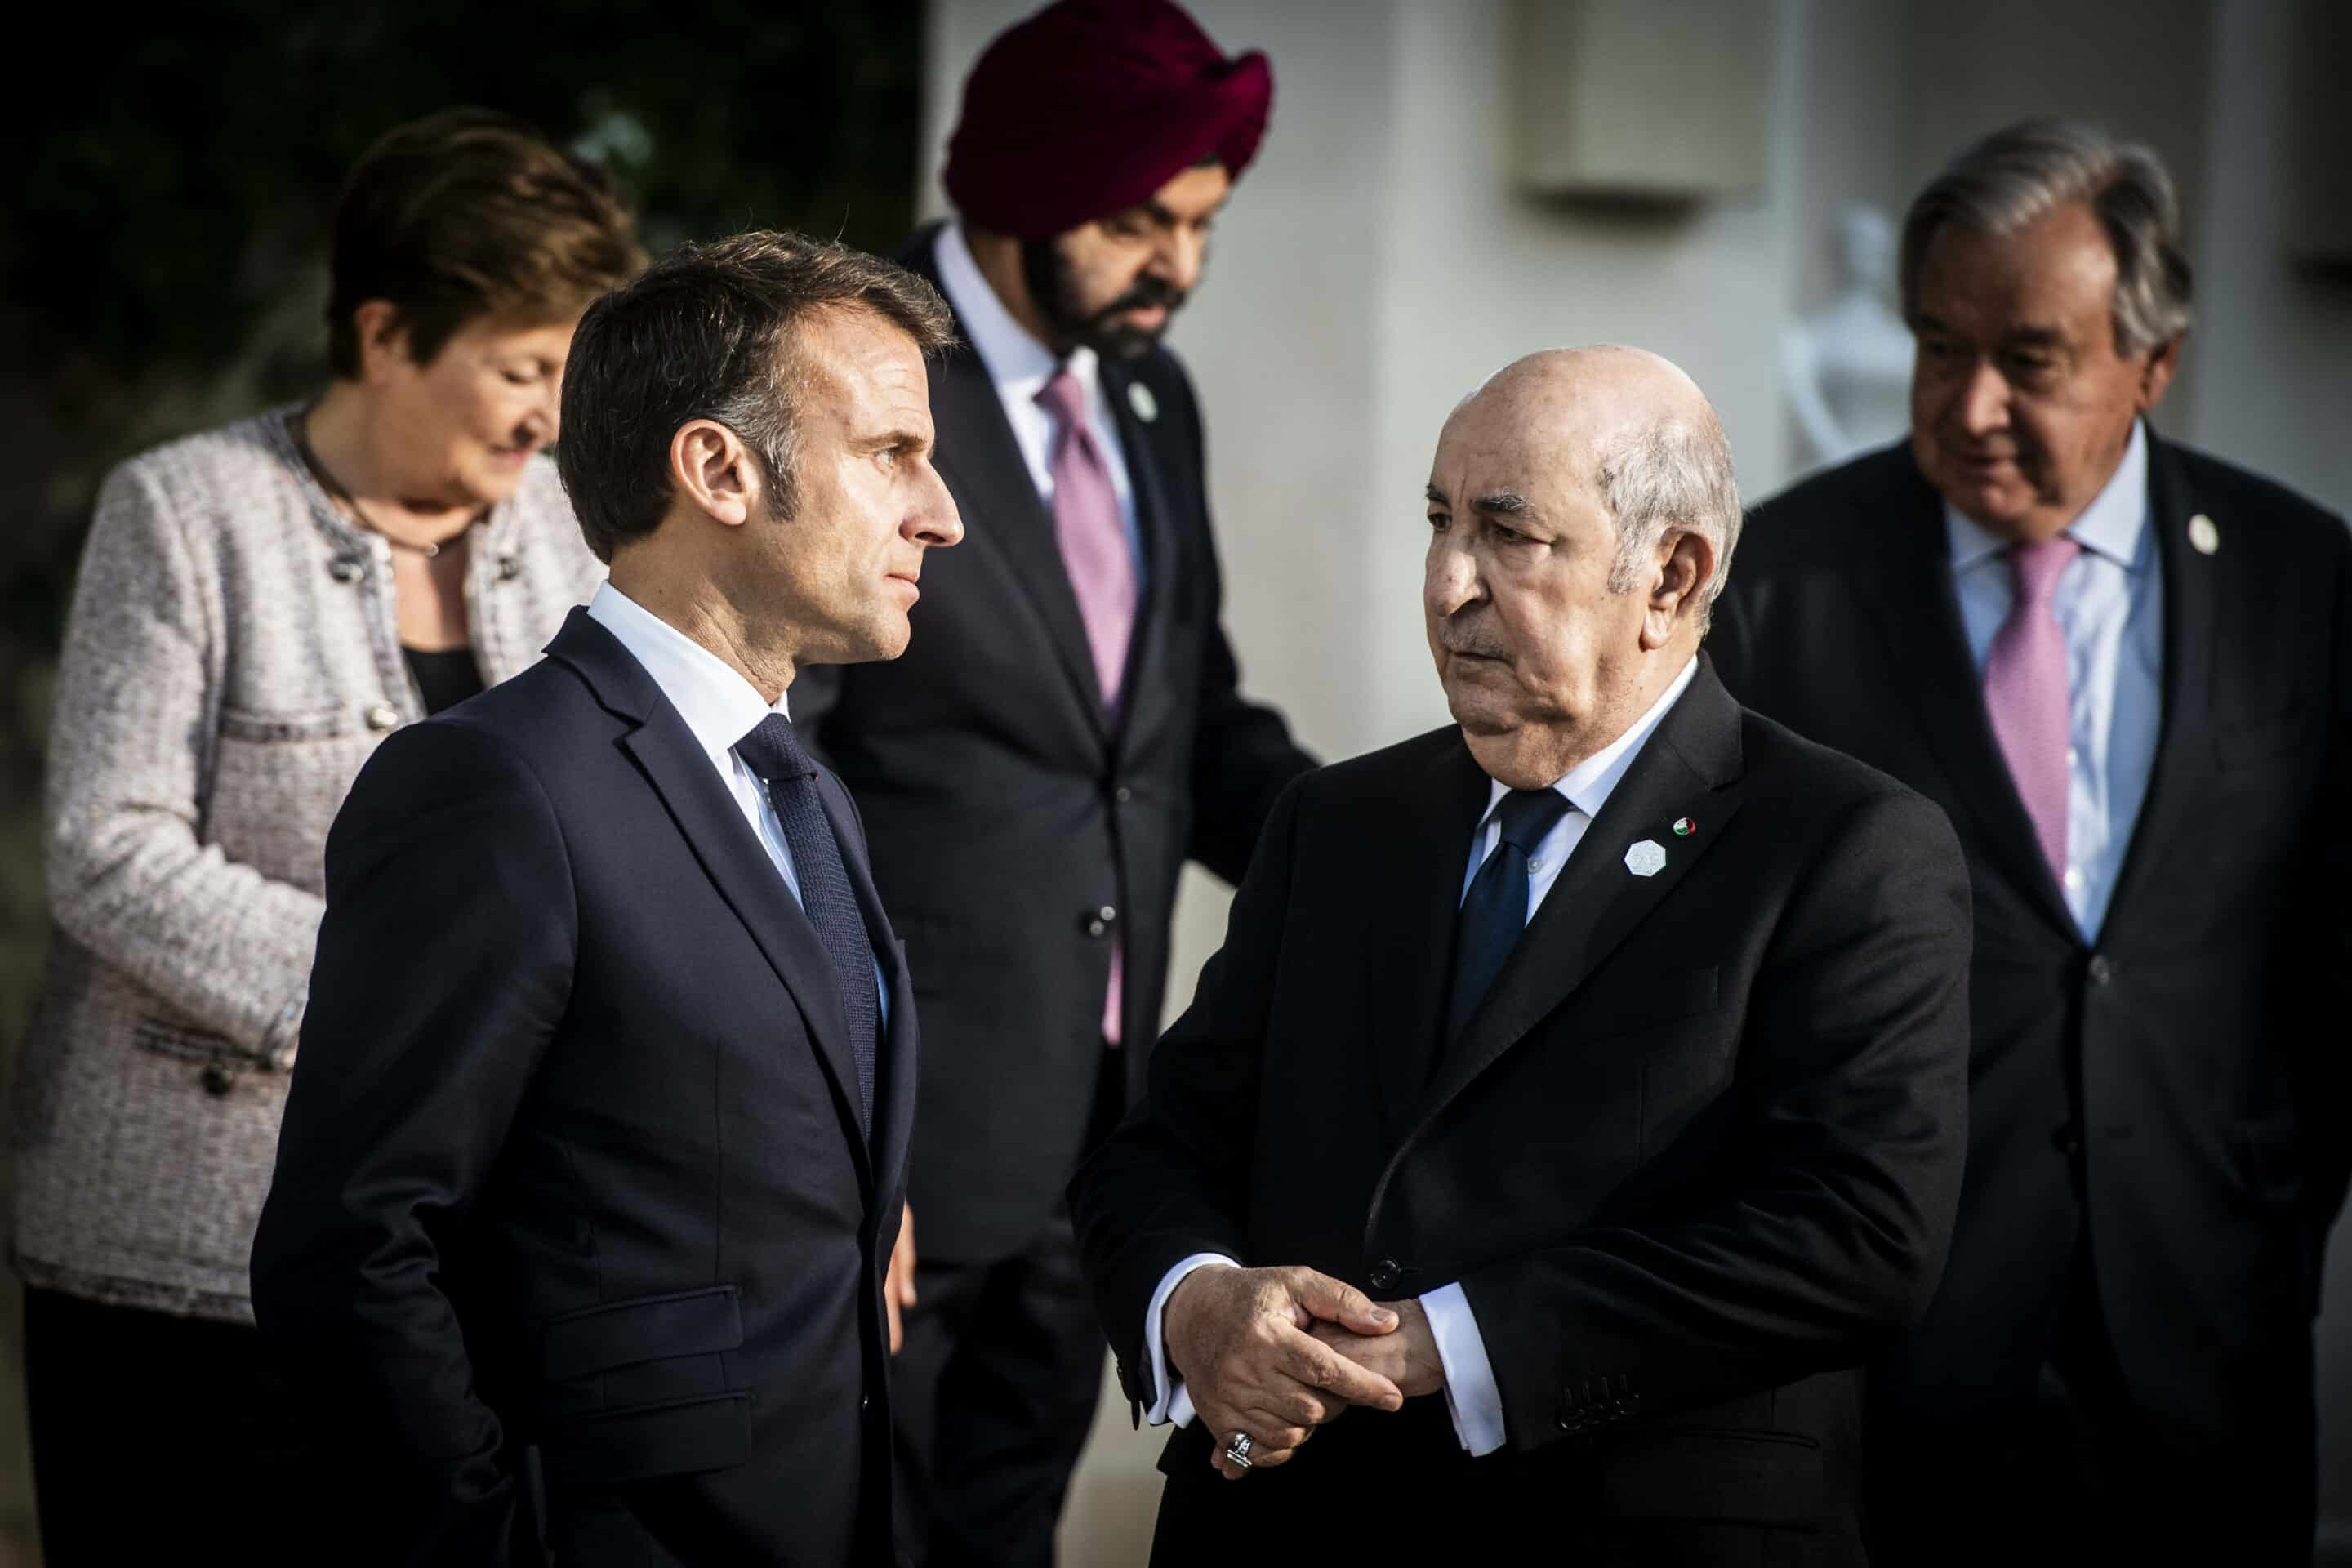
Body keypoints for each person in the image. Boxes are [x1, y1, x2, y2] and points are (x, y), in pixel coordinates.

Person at [1070, 346, 1974, 1562]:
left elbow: (1860, 1238)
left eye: (1509, 535)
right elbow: (1161, 1150)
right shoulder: (1337, 826)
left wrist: (1452, 1342)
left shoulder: (1847, 849)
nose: (1448, 584)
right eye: (1440, 523)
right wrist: (1198, 1306)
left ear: (1670, 573)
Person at [249, 231, 963, 1566]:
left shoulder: (811, 792)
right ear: (718, 469)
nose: (941, 510)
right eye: (890, 454)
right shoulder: (490, 788)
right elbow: (352, 1255)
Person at [1710, 118, 2352, 1564]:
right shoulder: (1781, 588)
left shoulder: (2298, 581)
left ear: (2154, 362)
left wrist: (2267, 1210)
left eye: (2033, 360)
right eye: (1940, 346)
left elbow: (2327, 954)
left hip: (2206, 1332)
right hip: (1887, 1362)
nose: (1972, 401)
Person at [10, 108, 639, 1564]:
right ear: (382, 333)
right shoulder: (183, 512)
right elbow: (109, 844)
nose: (552, 413)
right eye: (521, 368)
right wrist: (404, 999)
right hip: (177, 1264)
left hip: (459, 1266)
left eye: (569, 369)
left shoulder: (563, 531)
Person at [788, 2, 1315, 1558]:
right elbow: (778, 759)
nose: (1181, 264)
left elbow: (1180, 730)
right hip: (888, 1145)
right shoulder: (840, 374)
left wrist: (1403, 854)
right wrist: (841, 1132)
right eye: (1142, 217)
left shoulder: (1152, 398)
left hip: (1097, 1150)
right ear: (1025, 183)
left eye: (1203, 223)